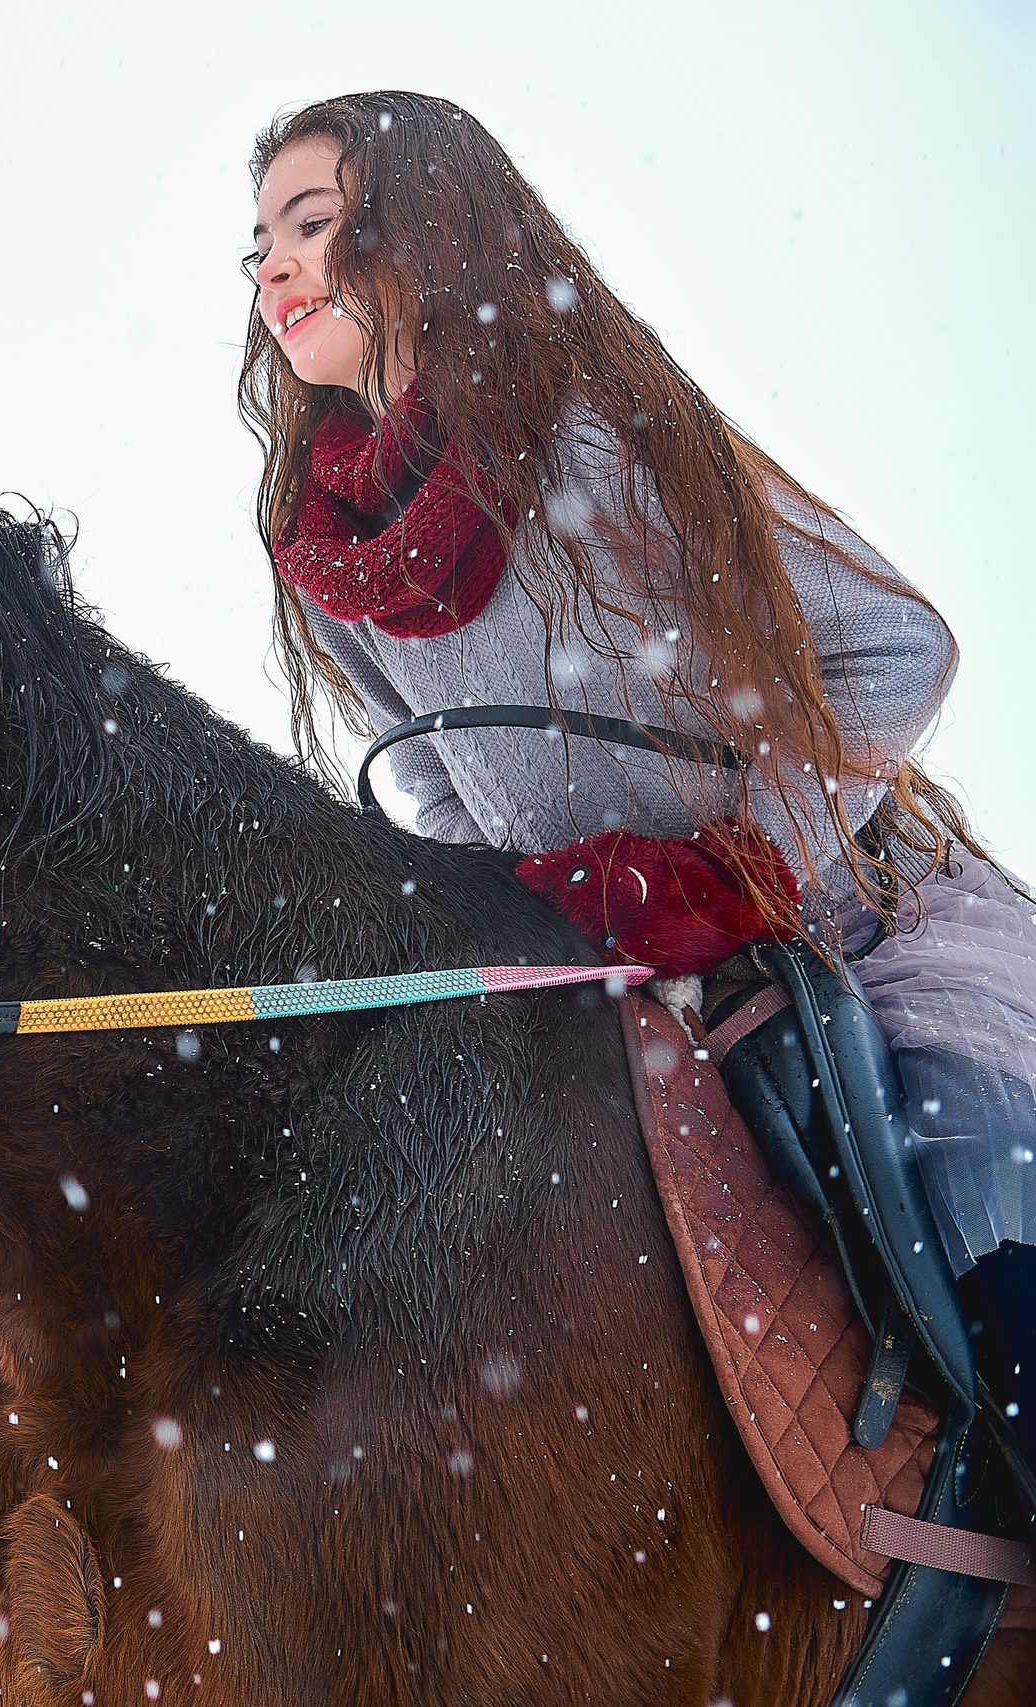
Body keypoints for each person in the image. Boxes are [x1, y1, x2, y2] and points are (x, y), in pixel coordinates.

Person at [236, 91, 1029, 1470]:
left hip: (860, 928)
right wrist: (499, 920)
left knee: (972, 1220)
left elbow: (902, 650)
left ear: (424, 230)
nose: (274, 272)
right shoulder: (330, 560)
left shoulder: (606, 440)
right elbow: (435, 789)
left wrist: (738, 866)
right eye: (257, 250)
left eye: (312, 226)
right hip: (620, 978)